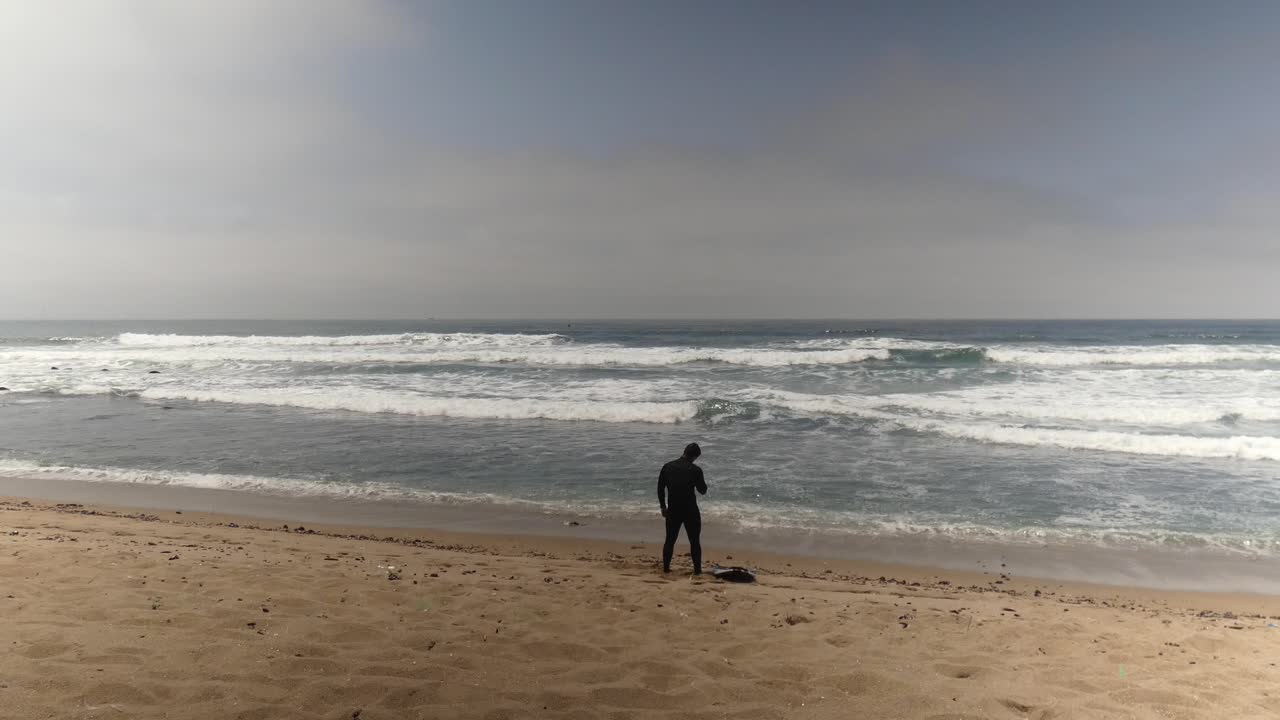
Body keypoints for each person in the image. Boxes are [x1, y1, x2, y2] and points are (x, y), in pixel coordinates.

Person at [657, 442, 707, 574]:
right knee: (694, 541)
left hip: (673, 509)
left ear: (684, 452)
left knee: (670, 540)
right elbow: (702, 490)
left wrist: (663, 506)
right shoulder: (695, 470)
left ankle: (666, 569)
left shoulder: (667, 466)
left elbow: (660, 488)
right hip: (690, 509)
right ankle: (697, 571)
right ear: (695, 456)